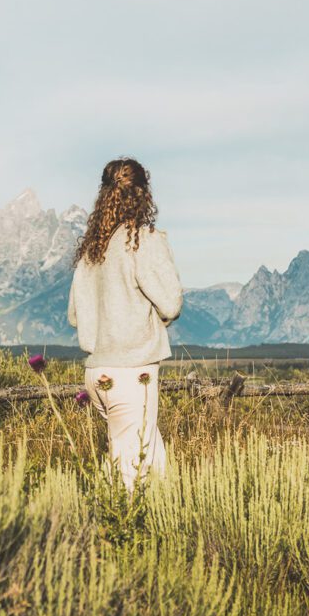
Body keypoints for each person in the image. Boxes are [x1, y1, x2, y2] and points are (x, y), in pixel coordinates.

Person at [67, 157, 184, 491]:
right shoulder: (141, 240)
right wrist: (154, 319)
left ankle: (127, 529)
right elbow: (171, 302)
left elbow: (75, 316)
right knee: (135, 472)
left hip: (97, 371)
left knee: (136, 455)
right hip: (133, 372)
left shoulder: (92, 249)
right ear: (143, 194)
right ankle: (119, 536)